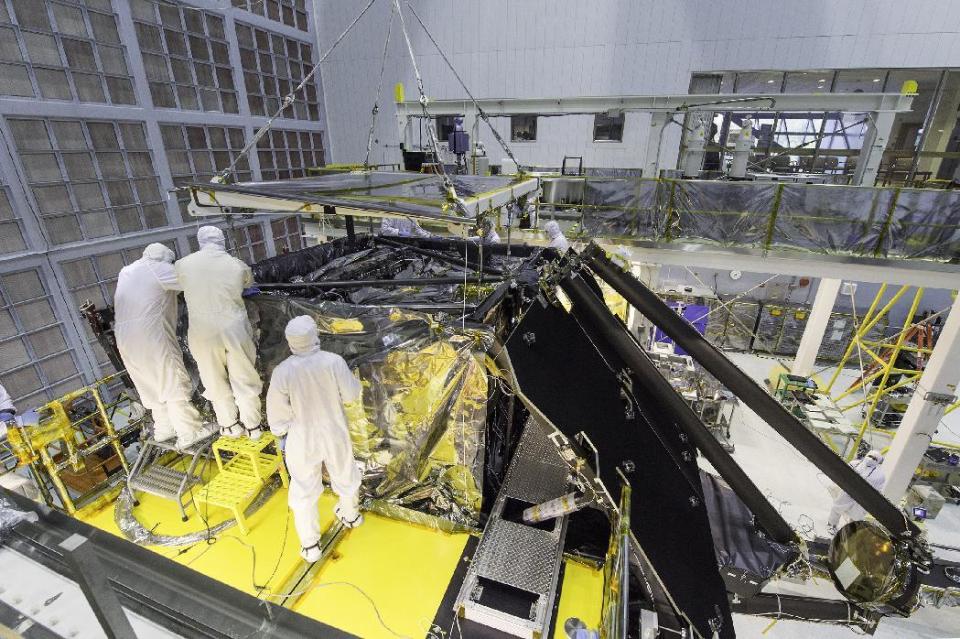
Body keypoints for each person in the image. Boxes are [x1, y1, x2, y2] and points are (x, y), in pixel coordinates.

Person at [267, 315, 364, 562]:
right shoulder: (333, 362)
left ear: (290, 342)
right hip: (334, 430)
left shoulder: (283, 371)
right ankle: (351, 515)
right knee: (344, 473)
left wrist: (280, 433)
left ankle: (310, 546)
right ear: (315, 336)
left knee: (304, 488)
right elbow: (352, 394)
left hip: (302, 436)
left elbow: (276, 413)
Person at [115, 243, 213, 448]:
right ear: (165, 259)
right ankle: (190, 431)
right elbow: (193, 282)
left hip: (124, 338)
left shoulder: (126, 272)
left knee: (149, 383)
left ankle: (164, 429)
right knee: (171, 377)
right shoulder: (158, 268)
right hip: (151, 335)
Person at [176, 226, 263, 440]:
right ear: (222, 241)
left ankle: (229, 425)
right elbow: (248, 285)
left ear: (200, 241)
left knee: (213, 379)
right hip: (234, 328)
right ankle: (253, 428)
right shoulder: (237, 265)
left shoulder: (182, 265)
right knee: (244, 377)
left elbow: (178, 285)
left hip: (202, 332)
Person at [827, 450, 885, 534]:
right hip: (848, 492)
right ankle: (831, 525)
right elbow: (843, 474)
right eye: (870, 456)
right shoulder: (854, 464)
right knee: (838, 507)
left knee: (856, 517)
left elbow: (878, 490)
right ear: (866, 455)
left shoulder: (880, 475)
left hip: (862, 498)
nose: (871, 459)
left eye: (875, 459)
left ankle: (847, 533)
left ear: (878, 462)